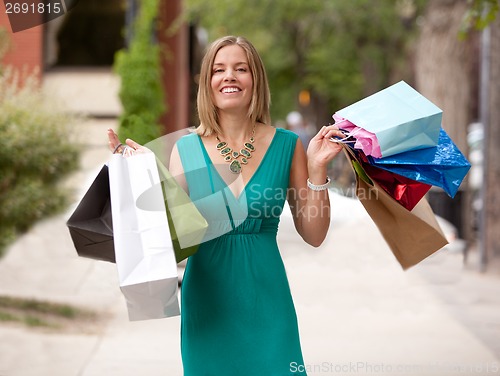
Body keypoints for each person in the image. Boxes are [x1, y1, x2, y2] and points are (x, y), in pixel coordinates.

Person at [108, 35, 344, 376]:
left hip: (268, 304)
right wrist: (144, 175)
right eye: (219, 69)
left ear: (255, 80)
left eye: (240, 69)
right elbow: (174, 245)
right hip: (208, 307)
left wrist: (318, 169)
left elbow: (314, 233)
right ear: (208, 83)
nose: (229, 76)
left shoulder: (287, 145)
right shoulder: (185, 150)